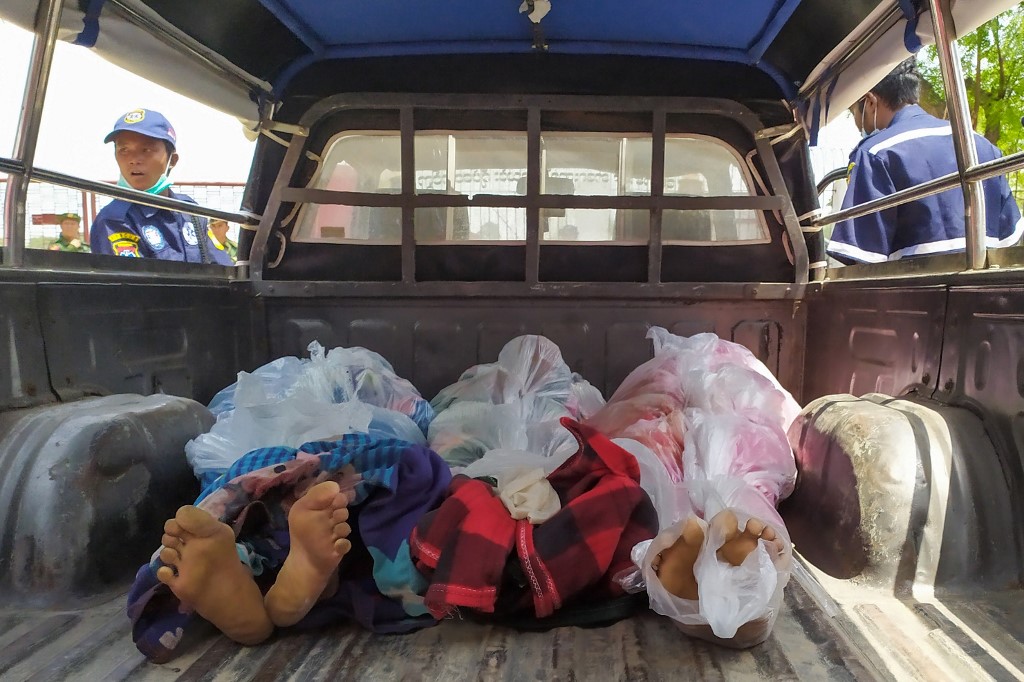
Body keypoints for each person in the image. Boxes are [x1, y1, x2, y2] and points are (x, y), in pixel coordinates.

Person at [827, 58, 1023, 265]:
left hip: (913, 293)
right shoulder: (983, 146)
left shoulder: (874, 153)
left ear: (870, 102)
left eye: (854, 113)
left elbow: (862, 260)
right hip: (986, 292)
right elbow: (1009, 238)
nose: (858, 125)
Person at [89, 108, 233, 264]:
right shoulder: (115, 219)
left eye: (147, 149)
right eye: (123, 150)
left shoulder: (190, 212)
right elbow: (137, 286)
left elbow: (223, 270)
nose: (134, 159)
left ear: (172, 160)